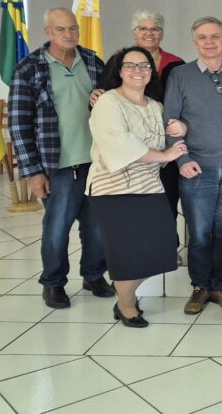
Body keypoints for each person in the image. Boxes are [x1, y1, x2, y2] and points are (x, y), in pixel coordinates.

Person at [9, 7, 113, 309]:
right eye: (61, 29)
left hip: (96, 163)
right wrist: (33, 172)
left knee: (97, 227)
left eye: (73, 28)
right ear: (48, 33)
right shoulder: (29, 69)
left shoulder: (92, 61)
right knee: (57, 229)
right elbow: (18, 124)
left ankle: (93, 275)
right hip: (57, 167)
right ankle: (53, 283)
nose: (68, 34)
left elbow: (112, 104)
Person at [163, 16, 222, 315]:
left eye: (215, 36)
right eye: (203, 37)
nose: (209, 42)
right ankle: (200, 287)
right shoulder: (180, 76)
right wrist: (182, 160)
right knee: (200, 233)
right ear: (194, 41)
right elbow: (169, 122)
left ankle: (219, 286)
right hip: (197, 169)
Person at [87, 47, 186, 327]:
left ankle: (123, 291)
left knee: (164, 248)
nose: (137, 71)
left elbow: (167, 134)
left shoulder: (155, 106)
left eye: (144, 65)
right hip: (114, 189)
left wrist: (182, 129)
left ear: (151, 72)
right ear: (119, 71)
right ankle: (126, 304)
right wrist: (166, 156)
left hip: (150, 186)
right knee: (128, 254)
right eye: (130, 65)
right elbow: (121, 145)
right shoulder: (108, 101)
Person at [128, 10, 186, 220]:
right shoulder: (121, 63)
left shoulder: (176, 64)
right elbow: (107, 94)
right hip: (134, 147)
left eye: (155, 29)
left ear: (162, 33)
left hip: (167, 145)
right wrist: (95, 94)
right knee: (136, 210)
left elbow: (188, 103)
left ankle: (167, 240)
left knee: (167, 205)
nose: (149, 33)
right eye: (142, 28)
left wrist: (184, 126)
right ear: (134, 33)